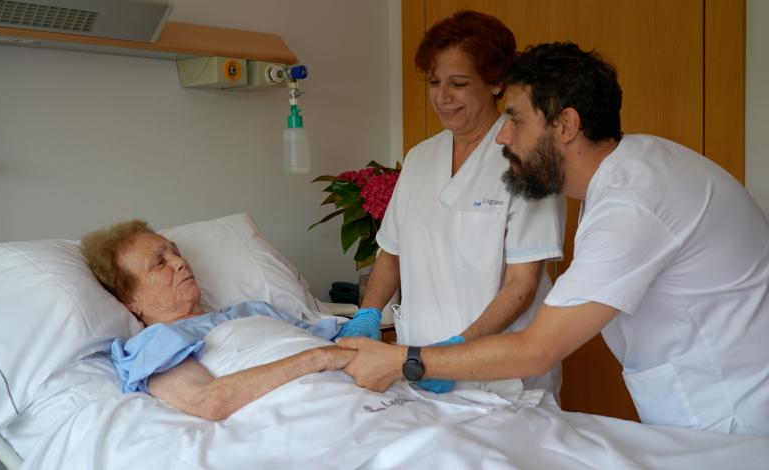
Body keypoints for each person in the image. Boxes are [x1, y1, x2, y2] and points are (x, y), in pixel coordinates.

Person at [339, 42, 769, 436]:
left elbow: (537, 348)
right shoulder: (633, 170)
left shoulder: (634, 204)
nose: (503, 137)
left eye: (516, 120)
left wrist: (407, 360)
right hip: (701, 398)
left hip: (733, 411)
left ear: (565, 124)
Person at [337, 10, 566, 396]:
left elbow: (521, 285)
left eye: (458, 83)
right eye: (434, 81)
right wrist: (368, 313)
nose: (442, 97)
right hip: (415, 368)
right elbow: (391, 253)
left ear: (495, 83)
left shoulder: (528, 158)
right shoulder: (420, 158)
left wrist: (456, 351)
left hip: (499, 373)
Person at [81, 220, 355, 421]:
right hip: (307, 411)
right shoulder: (154, 342)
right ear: (130, 300)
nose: (180, 262)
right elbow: (207, 401)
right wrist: (316, 359)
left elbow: (336, 343)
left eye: (175, 252)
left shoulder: (253, 310)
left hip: (357, 390)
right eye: (160, 262)